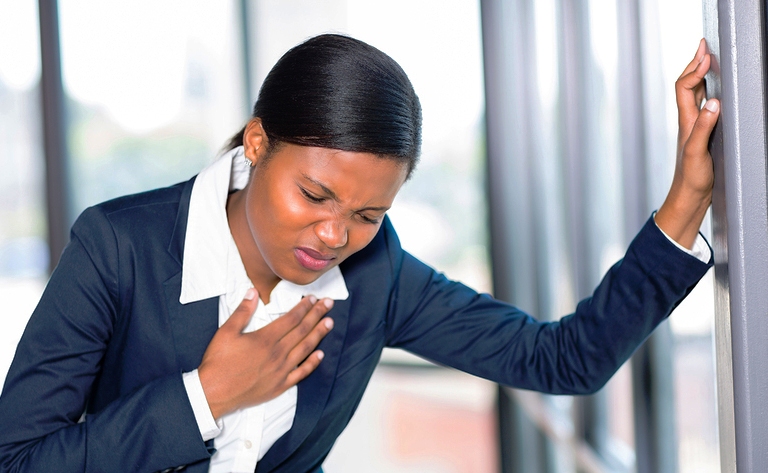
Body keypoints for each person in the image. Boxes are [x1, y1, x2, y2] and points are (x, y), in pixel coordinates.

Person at [0, 34, 719, 473]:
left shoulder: (376, 275)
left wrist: (684, 201)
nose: (335, 235)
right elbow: (18, 460)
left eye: (369, 213)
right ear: (257, 143)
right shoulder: (117, 247)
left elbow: (562, 359)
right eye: (314, 195)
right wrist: (207, 396)